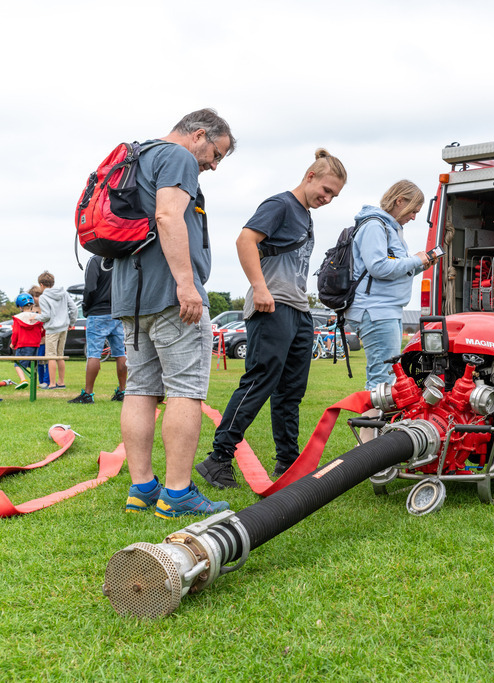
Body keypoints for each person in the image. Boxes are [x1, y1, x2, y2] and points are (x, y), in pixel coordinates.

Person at [196, 149, 347, 489]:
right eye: (325, 190)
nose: (327, 198)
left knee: (291, 391)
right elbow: (245, 240)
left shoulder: (305, 215)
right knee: (259, 382)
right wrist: (259, 288)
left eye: (333, 196)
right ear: (309, 177)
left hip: (298, 310)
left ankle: (288, 462)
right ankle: (218, 458)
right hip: (271, 306)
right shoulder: (279, 204)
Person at [112, 108, 236, 518]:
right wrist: (187, 283)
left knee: (140, 389)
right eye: (215, 154)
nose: (214, 166)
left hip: (131, 294)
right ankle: (178, 492)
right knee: (185, 390)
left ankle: (141, 486)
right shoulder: (178, 157)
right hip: (171, 294)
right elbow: (167, 215)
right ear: (199, 134)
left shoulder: (137, 155)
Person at [345, 181, 434, 439]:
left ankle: (375, 445)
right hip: (376, 311)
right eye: (413, 209)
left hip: (386, 311)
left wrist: (419, 264)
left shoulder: (389, 228)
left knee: (387, 380)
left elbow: (390, 269)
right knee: (380, 382)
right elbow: (378, 267)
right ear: (399, 201)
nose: (414, 216)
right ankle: (368, 452)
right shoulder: (375, 226)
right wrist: (415, 260)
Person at [68, 255, 128, 404]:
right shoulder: (121, 258)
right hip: (118, 313)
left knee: (93, 354)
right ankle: (123, 391)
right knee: (120, 353)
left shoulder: (95, 260)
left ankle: (88, 394)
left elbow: (90, 288)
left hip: (98, 313)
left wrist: (86, 308)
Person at [36, 271, 77, 389]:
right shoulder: (63, 293)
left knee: (51, 356)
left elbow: (46, 316)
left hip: (52, 329)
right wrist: (71, 322)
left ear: (41, 284)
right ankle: (61, 382)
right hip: (64, 328)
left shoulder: (43, 297)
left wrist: (36, 318)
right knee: (60, 355)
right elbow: (73, 308)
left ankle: (52, 383)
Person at [11, 293, 44, 389]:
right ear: (32, 305)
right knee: (33, 365)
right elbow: (42, 330)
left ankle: (23, 380)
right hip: (36, 345)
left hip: (23, 345)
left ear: (20, 307)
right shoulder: (38, 317)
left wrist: (13, 343)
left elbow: (15, 332)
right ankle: (34, 383)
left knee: (18, 364)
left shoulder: (17, 318)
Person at [27, 286, 49, 387]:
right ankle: (40, 381)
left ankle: (46, 380)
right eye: (33, 296)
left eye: (37, 296)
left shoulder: (44, 306)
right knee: (37, 360)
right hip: (34, 339)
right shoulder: (30, 308)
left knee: (46, 360)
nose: (35, 298)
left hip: (44, 337)